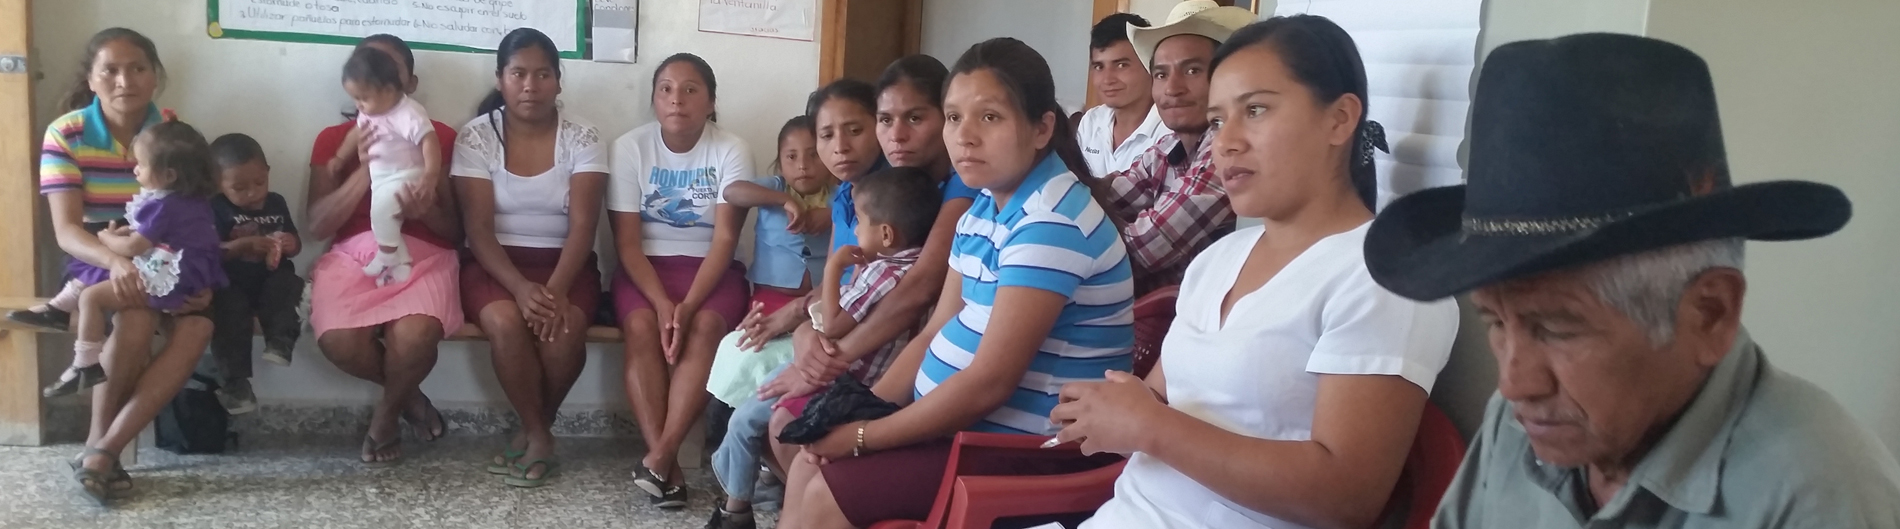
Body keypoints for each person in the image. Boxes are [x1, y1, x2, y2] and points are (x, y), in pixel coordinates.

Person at [1365, 34, 1900, 528]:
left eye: (1556, 328)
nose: (1514, 383)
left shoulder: (1819, 495)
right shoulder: (1520, 423)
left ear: (1709, 314)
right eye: (1496, 323)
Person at [1051, 17, 1459, 529]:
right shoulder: (1218, 261)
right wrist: (1109, 407)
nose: (1226, 142)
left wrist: (1151, 427)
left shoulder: (1384, 279)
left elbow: (1346, 497)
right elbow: (1159, 396)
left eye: (1256, 110)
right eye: (1217, 121)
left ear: (1339, 119)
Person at [777, 37, 1135, 529]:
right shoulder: (985, 206)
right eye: (953, 117)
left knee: (826, 490)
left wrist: (862, 437)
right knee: (808, 463)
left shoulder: (1051, 221)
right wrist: (862, 411)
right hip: (966, 433)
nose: (964, 136)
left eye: (989, 117)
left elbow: (988, 383)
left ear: (1041, 128)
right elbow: (933, 331)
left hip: (1029, 453)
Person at [35, 28, 217, 505]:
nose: (125, 80)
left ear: (155, 76)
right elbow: (67, 232)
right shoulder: (66, 133)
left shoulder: (171, 132)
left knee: (199, 326)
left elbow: (193, 217)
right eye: (110, 70)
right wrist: (118, 261)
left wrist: (197, 281)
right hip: (93, 259)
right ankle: (100, 446)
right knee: (134, 316)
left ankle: (102, 451)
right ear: (91, 79)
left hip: (164, 264)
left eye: (137, 68)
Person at [707, 166, 937, 529]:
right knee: (757, 411)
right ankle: (749, 501)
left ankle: (737, 510)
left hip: (845, 381)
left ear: (886, 234)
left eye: (860, 222)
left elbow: (832, 324)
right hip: (858, 376)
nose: (855, 231)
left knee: (749, 416)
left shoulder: (883, 273)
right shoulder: (913, 265)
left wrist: (833, 269)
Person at [453, 27, 609, 489]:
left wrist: (554, 292)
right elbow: (478, 230)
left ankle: (532, 429)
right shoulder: (476, 137)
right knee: (504, 322)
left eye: (543, 74)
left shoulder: (584, 136)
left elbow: (583, 227)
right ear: (500, 79)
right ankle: (540, 434)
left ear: (558, 81)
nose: (530, 85)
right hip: (495, 265)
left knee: (565, 328)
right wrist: (521, 290)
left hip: (566, 264)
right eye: (518, 73)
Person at [306, 34, 460, 466]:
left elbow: (456, 230)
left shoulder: (438, 136)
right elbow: (316, 226)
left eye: (387, 69)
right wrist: (365, 168)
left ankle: (385, 419)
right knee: (338, 340)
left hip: (425, 253)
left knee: (415, 338)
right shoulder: (335, 138)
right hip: (352, 256)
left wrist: (426, 209)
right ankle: (409, 398)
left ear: (407, 84)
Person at [609, 52, 753, 509]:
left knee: (706, 327)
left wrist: (687, 306)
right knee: (640, 327)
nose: (677, 99)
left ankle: (659, 457)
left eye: (691, 90)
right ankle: (665, 464)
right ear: (654, 99)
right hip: (645, 269)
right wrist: (660, 303)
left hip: (711, 270)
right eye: (666, 89)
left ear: (710, 102)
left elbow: (725, 239)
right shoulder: (630, 147)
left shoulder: (731, 148)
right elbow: (627, 243)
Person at [62, 121, 227, 416]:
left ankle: (85, 363)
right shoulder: (194, 201)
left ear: (169, 175)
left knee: (92, 298)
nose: (135, 170)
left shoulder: (162, 205)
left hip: (165, 278)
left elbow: (133, 248)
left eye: (140, 164)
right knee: (99, 282)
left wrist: (105, 237)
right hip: (188, 277)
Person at [1109, 0, 1249, 295]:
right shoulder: (1167, 148)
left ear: (1225, 78)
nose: (1172, 88)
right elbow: (1107, 194)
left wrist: (1072, 227)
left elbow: (1145, 247)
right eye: (1161, 75)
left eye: (1192, 70)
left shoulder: (1229, 148)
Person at [708, 116, 834, 409]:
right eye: (791, 157)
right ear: (779, 163)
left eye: (813, 155)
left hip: (816, 304)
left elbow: (860, 213)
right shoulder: (774, 188)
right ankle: (741, 410)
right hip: (768, 299)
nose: (802, 165)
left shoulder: (839, 197)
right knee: (750, 352)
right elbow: (732, 192)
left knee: (808, 357)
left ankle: (787, 409)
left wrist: (831, 216)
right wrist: (783, 200)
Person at [206, 133, 304, 415]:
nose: (253, 193)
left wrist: (290, 243)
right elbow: (210, 253)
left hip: (271, 278)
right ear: (217, 182)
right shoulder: (216, 207)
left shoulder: (276, 202)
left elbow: (295, 244)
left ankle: (281, 341)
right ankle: (236, 384)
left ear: (268, 172)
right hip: (232, 281)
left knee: (290, 283)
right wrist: (241, 246)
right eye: (240, 187)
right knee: (227, 310)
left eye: (260, 183)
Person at [327, 46, 441, 287]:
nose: (358, 105)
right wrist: (339, 157)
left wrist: (430, 175)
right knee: (383, 220)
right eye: (355, 98)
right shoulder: (371, 111)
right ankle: (401, 264)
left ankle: (386, 257)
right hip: (382, 177)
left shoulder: (407, 113)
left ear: (389, 90)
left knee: (381, 212)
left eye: (363, 98)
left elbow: (429, 141)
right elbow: (356, 134)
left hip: (406, 175)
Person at [1078, 12, 1165, 178]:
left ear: (1150, 66)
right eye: (1099, 67)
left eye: (1121, 65)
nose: (1107, 79)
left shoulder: (1169, 129)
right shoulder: (1091, 122)